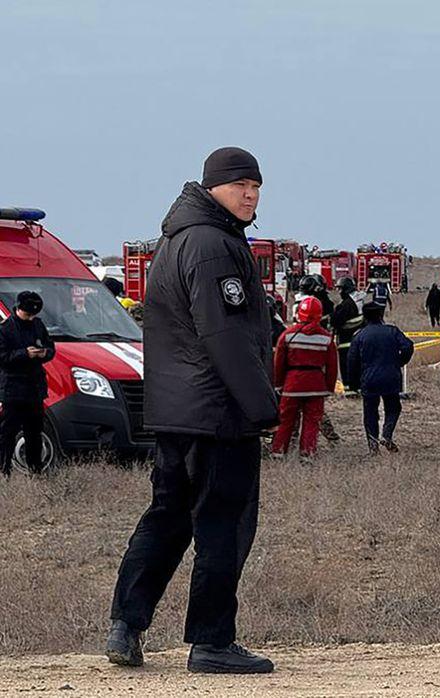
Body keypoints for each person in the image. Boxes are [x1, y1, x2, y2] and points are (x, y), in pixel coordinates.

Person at [107, 147, 279, 674]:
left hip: (177, 412)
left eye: (257, 186)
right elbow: (223, 334)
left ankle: (125, 625)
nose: (250, 194)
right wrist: (262, 407)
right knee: (222, 526)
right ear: (213, 188)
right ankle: (212, 642)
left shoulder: (178, 239)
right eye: (240, 185)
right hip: (219, 414)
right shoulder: (213, 246)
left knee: (166, 518)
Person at [271, 297, 338, 458]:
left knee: (285, 420)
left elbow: (279, 364)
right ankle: (307, 454)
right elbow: (332, 368)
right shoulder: (327, 338)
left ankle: (278, 452)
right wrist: (328, 388)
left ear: (299, 314)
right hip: (316, 385)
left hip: (292, 383)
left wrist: (279, 385)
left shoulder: (287, 335)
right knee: (312, 421)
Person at [0, 291, 55, 476]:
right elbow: (3, 358)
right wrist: (25, 353)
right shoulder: (5, 329)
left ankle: (36, 470)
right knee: (8, 433)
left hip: (35, 389)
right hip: (13, 390)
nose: (31, 317)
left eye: (34, 314)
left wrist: (43, 353)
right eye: (27, 314)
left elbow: (51, 348)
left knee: (34, 433)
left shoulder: (38, 325)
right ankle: (4, 470)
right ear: (18, 308)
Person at [348, 302, 414, 454]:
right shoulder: (392, 331)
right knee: (393, 408)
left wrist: (353, 384)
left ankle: (373, 446)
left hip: (369, 379)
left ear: (364, 316)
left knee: (370, 412)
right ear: (381, 315)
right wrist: (399, 362)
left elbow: (352, 361)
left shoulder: (359, 336)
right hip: (391, 377)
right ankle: (387, 434)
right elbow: (408, 346)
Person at [331, 277, 364, 394]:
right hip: (357, 340)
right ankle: (358, 387)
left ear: (345, 289)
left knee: (346, 366)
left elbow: (335, 321)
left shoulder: (346, 305)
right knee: (357, 366)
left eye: (340, 289)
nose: (339, 292)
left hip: (346, 341)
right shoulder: (358, 302)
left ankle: (350, 389)